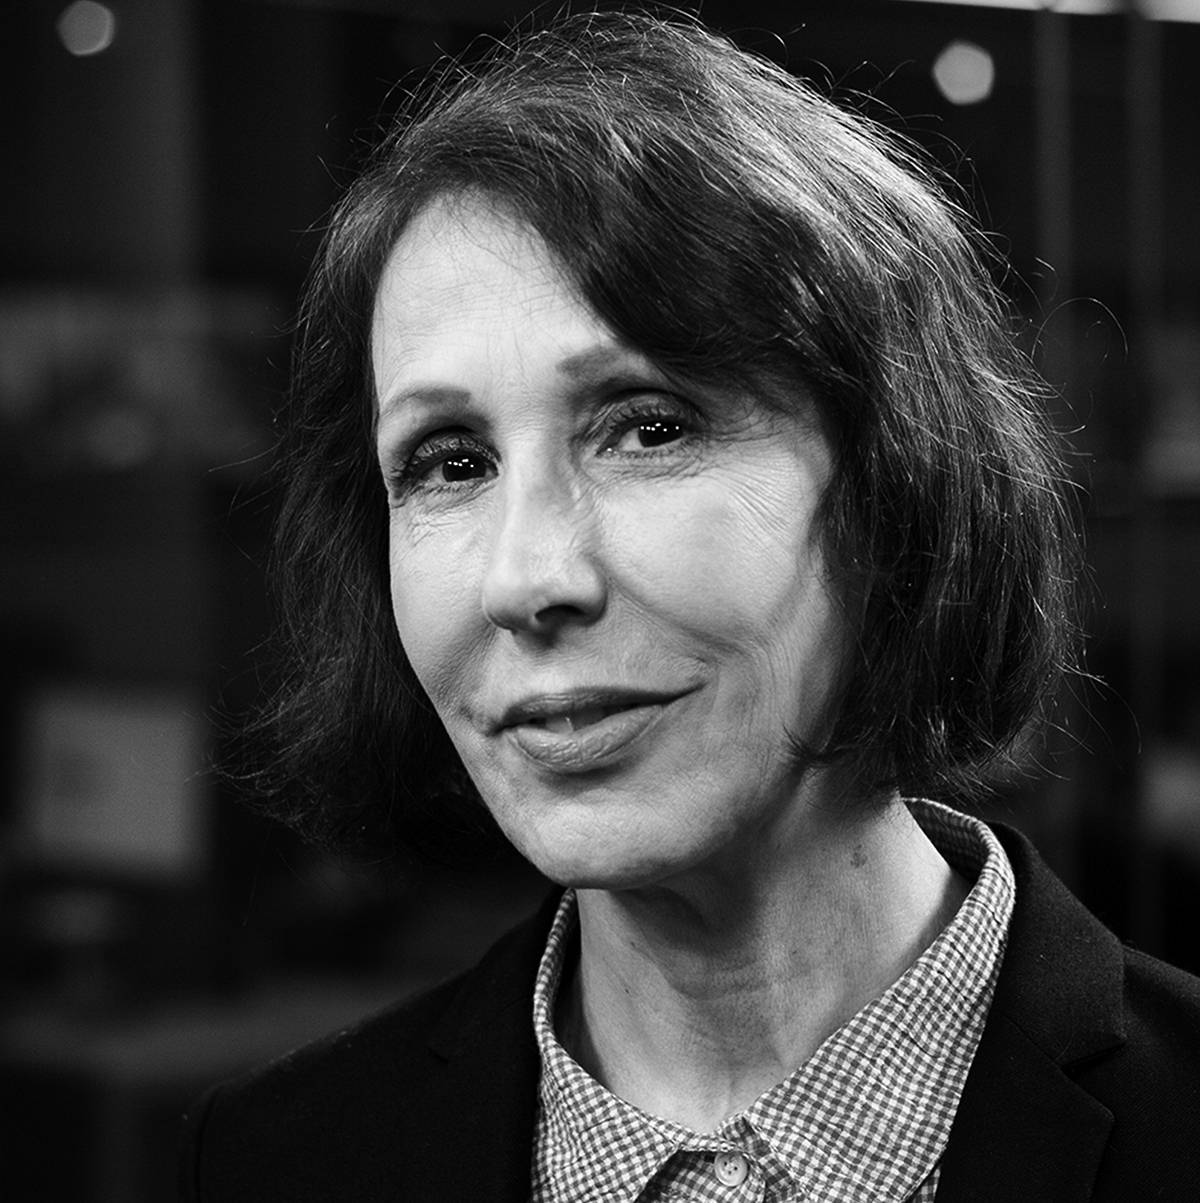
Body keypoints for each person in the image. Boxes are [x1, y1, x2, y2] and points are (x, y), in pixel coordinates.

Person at [180, 11, 1200, 1201]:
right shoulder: (277, 1162)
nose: (526, 579)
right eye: (450, 462)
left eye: (650, 429)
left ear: (900, 486)